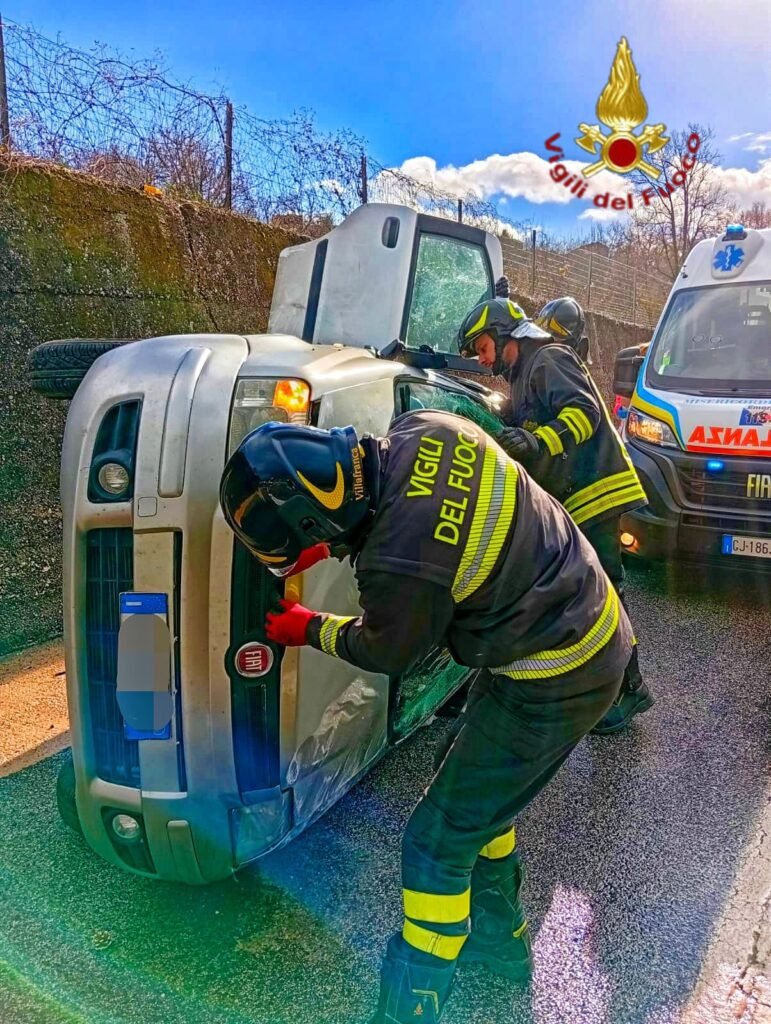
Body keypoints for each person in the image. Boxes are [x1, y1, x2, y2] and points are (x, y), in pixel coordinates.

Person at [220, 410, 634, 1023]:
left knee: (435, 843)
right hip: (580, 617)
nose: (316, 556)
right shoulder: (428, 428)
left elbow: (388, 649)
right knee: (470, 788)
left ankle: (412, 1007)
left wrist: (308, 628)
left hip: (558, 670)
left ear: (316, 519)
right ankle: (500, 945)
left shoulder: (399, 561)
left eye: (310, 545)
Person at [457, 295, 654, 734]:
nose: (485, 361)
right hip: (575, 499)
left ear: (505, 333)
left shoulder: (548, 358)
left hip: (596, 492)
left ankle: (631, 688)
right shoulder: (526, 374)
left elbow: (583, 412)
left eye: (484, 348)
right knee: (589, 595)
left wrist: (539, 442)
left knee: (604, 594)